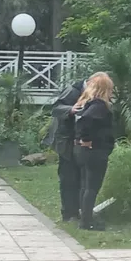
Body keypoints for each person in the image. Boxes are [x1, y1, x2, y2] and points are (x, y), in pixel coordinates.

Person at [71, 72, 120, 230]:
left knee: (85, 185)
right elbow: (86, 121)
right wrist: (86, 139)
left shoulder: (87, 103)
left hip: (83, 150)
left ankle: (85, 218)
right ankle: (87, 221)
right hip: (94, 151)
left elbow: (81, 121)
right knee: (92, 187)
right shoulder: (99, 105)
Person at [44, 77, 86, 222]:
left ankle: (79, 210)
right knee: (68, 178)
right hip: (66, 142)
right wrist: (71, 110)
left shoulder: (94, 94)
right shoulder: (72, 91)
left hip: (81, 142)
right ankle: (68, 213)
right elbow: (56, 108)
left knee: (81, 178)